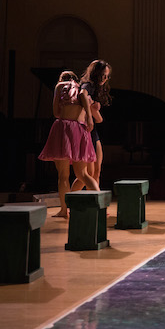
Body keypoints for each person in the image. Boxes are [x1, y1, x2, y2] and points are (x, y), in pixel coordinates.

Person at [38, 71, 99, 217]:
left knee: (63, 175)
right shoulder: (82, 89)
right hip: (79, 129)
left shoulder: (59, 86)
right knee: (83, 174)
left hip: (63, 129)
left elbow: (56, 112)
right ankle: (99, 204)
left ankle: (64, 210)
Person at [73, 60, 111, 189]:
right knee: (86, 175)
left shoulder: (97, 90)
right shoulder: (88, 85)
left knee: (96, 171)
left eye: (107, 76)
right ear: (96, 74)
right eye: (102, 75)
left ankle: (95, 207)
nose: (105, 79)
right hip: (85, 130)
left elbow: (99, 120)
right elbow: (82, 94)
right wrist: (90, 115)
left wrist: (94, 111)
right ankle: (69, 203)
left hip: (93, 132)